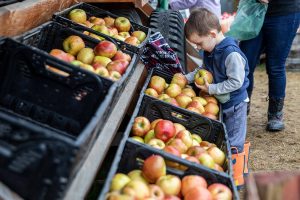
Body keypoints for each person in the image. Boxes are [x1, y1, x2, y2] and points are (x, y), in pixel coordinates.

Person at [184, 8, 249, 188]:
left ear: (212, 34)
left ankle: (237, 180)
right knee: (226, 137)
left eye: (199, 43)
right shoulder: (210, 50)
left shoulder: (231, 54)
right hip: (223, 101)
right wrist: (187, 78)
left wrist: (211, 88)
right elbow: (203, 70)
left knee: (234, 141)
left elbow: (236, 81)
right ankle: (233, 172)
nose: (197, 47)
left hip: (235, 104)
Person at [240, 0, 300, 131]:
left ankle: (275, 114)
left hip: (284, 13)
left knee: (275, 66)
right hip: (253, 11)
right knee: (244, 63)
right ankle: (242, 107)